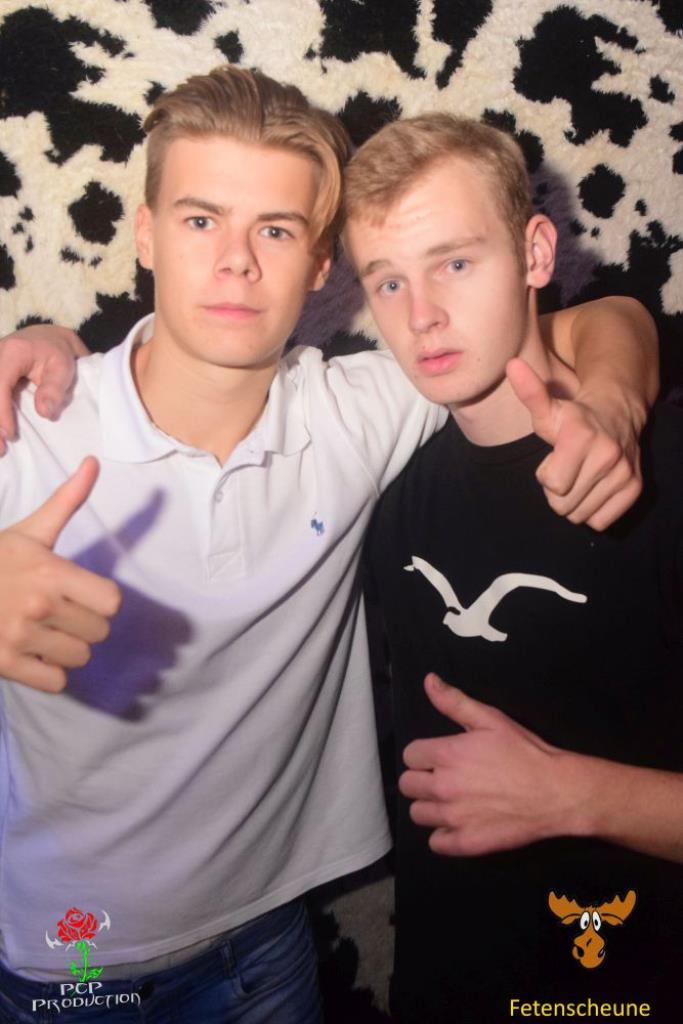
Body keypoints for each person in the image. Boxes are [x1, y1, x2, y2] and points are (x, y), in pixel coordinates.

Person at [0, 66, 658, 1022]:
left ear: (319, 267)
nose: (236, 261)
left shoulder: (363, 407)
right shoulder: (28, 422)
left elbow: (590, 319)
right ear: (144, 235)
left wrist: (614, 398)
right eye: (199, 219)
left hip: (271, 951)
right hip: (69, 965)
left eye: (274, 230)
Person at [343, 113, 683, 1022]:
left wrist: (573, 795)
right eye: (388, 281)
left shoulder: (663, 467)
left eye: (455, 263)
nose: (420, 316)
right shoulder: (387, 497)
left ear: (535, 253)